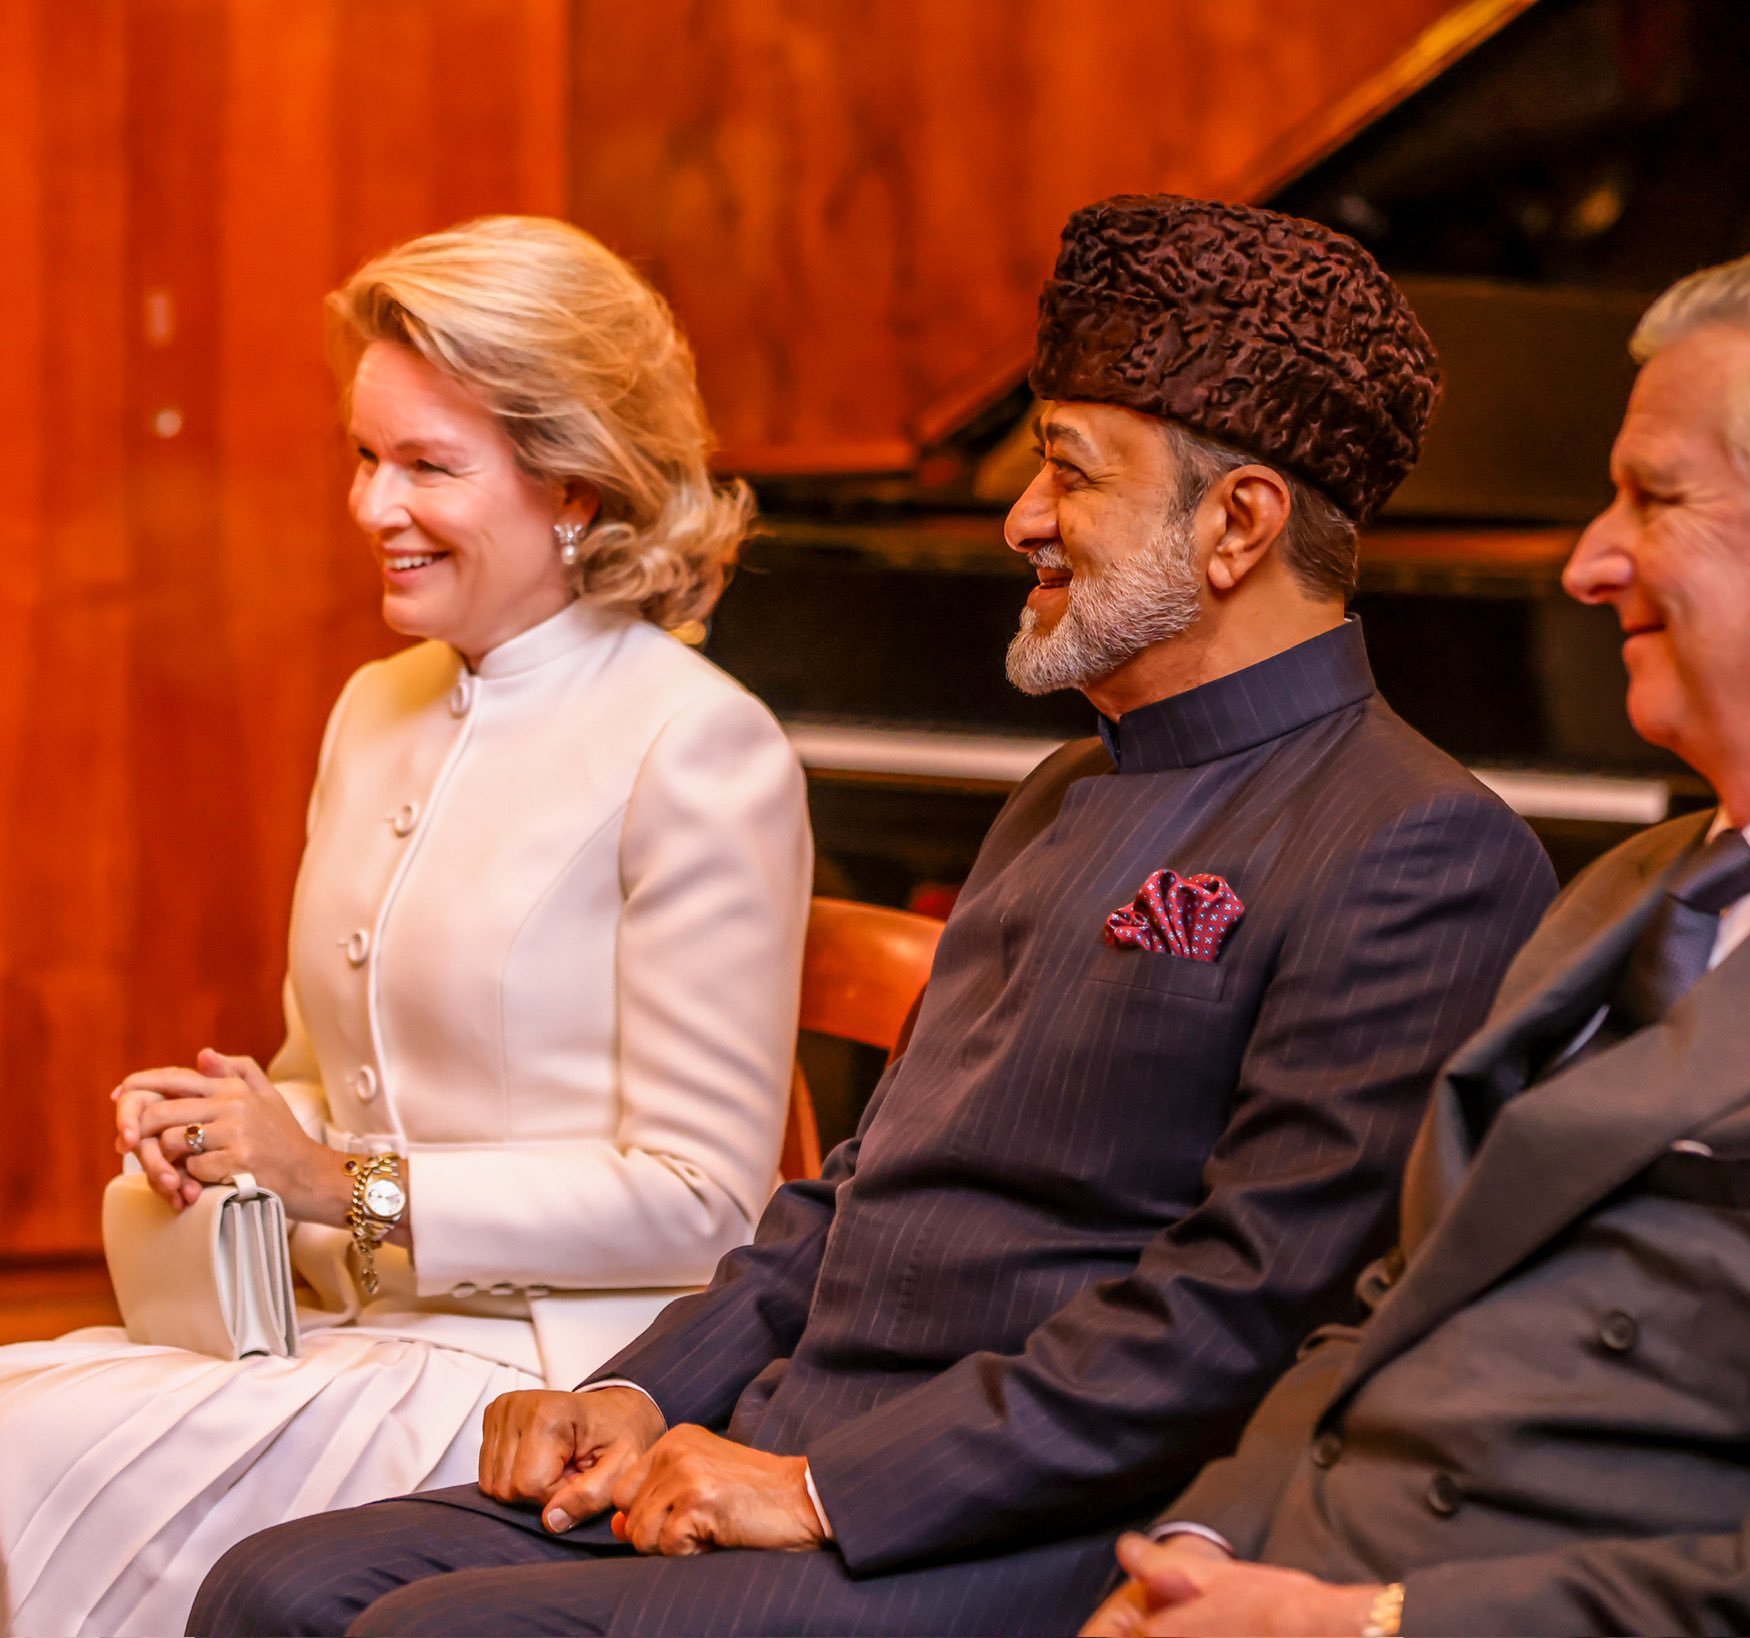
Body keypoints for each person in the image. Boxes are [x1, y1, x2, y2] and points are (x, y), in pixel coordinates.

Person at [192, 196, 1556, 1637]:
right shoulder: (1057, 793)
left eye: (1068, 474)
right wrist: (638, 1387)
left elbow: (1236, 1314)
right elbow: (850, 1193)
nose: (1021, 518)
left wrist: (825, 1483)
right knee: (275, 1585)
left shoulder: (1422, 846)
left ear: (1238, 523)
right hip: (775, 1441)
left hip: (1004, 1520)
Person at [1081, 247, 1750, 1637]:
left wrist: (1361, 1627)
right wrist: (1191, 1551)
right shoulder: (1627, 887)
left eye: (1654, 497)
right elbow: (1394, 1303)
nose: (1586, 561)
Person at [0, 216, 812, 1638]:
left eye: (430, 466)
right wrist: (226, 1125)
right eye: (364, 455)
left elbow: (707, 1200)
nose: (374, 505)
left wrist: (343, 1182)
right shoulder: (375, 708)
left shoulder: (696, 748)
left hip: (548, 1385)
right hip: (345, 1332)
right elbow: (325, 1067)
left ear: (575, 486)